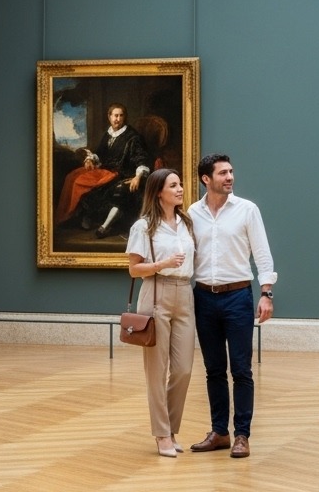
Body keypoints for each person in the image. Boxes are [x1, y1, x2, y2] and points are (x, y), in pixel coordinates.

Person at [188, 153, 276, 460]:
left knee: (241, 369)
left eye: (231, 172)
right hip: (203, 297)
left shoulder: (247, 210)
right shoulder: (192, 213)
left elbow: (262, 254)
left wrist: (267, 294)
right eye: (223, 173)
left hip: (238, 297)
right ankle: (219, 433)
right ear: (206, 179)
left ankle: (242, 435)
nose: (230, 177)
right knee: (213, 370)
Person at [125, 167, 196, 459]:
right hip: (156, 293)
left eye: (180, 184)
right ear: (158, 192)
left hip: (185, 294)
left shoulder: (187, 223)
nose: (180, 189)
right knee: (157, 370)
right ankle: (162, 434)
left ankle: (171, 427)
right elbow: (133, 269)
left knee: (183, 369)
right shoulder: (144, 227)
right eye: (173, 185)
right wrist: (161, 264)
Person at [71, 103, 151, 237]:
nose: (117, 119)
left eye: (121, 116)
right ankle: (87, 216)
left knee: (114, 191)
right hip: (106, 171)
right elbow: (100, 154)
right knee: (76, 178)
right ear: (109, 117)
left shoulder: (132, 137)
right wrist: (90, 159)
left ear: (124, 117)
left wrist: (138, 176)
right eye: (115, 115)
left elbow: (140, 159)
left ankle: (105, 226)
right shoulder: (108, 134)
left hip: (124, 173)